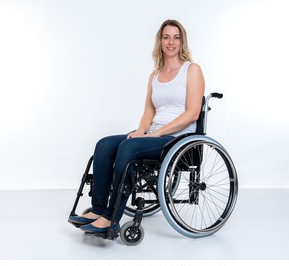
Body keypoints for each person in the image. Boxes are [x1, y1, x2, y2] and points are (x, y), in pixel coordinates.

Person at [69, 19, 205, 234]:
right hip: (154, 135)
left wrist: (157, 133)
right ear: (160, 41)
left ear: (182, 41)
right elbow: (149, 113)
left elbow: (192, 113)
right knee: (104, 145)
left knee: (127, 149)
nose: (171, 42)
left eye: (176, 37)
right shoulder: (155, 75)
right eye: (166, 37)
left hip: (178, 140)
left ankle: (111, 218)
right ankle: (97, 210)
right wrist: (141, 132)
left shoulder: (192, 70)